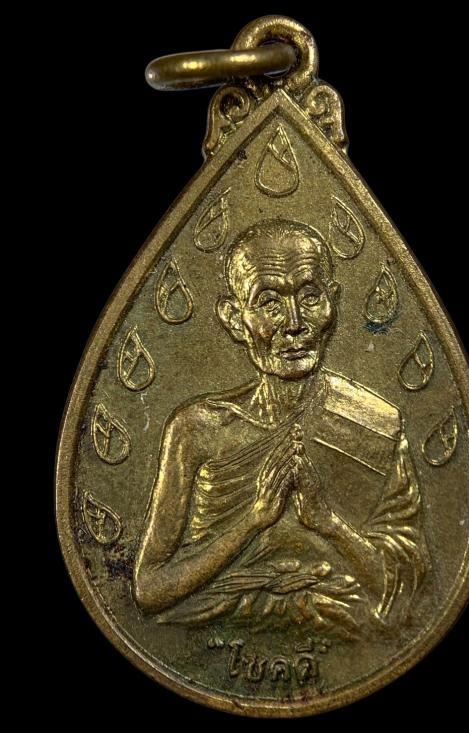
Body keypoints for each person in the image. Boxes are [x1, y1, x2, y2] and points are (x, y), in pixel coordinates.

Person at [133, 219, 429, 638]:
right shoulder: (197, 429)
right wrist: (253, 522)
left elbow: (409, 594)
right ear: (234, 318)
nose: (294, 323)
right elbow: (148, 590)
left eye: (310, 297)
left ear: (333, 302)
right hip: (213, 634)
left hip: (340, 631)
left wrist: (328, 522)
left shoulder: (375, 423)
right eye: (269, 303)